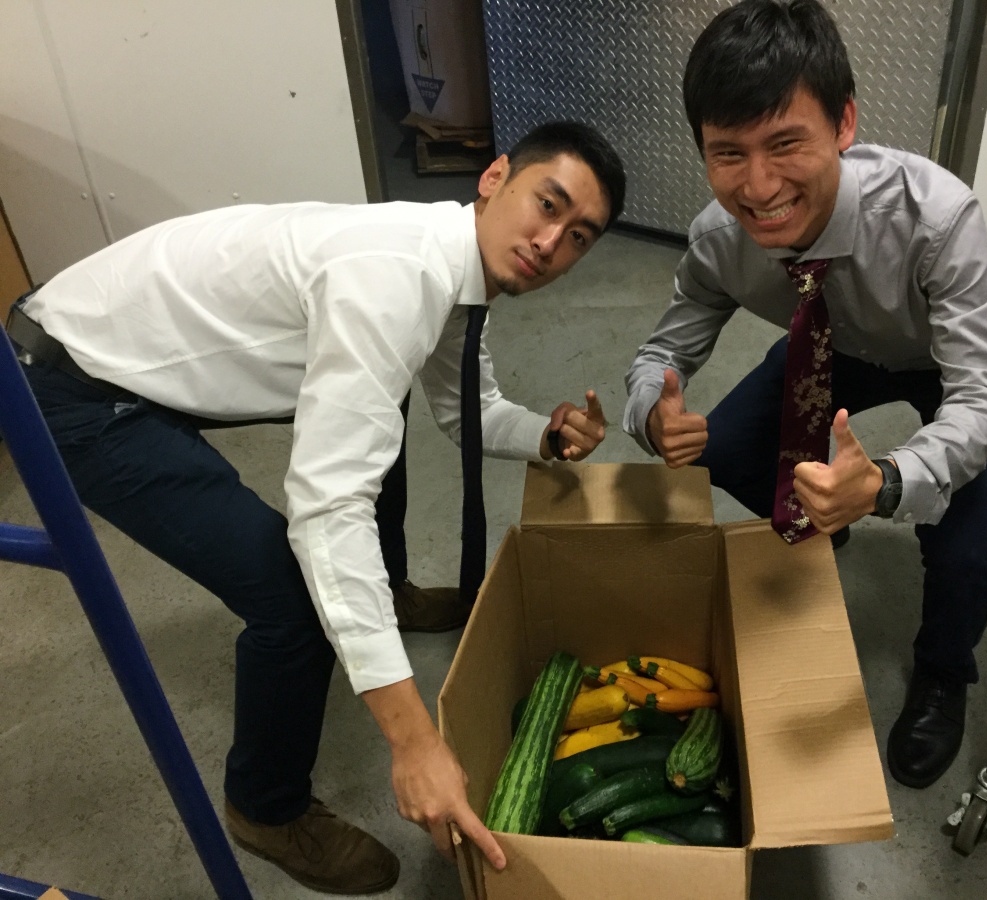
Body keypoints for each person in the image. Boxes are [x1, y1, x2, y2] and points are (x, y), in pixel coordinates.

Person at [9, 121, 625, 893]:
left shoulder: (451, 260)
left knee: (379, 408)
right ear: (495, 177)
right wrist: (413, 740)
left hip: (135, 342)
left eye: (578, 236)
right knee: (294, 592)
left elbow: (463, 407)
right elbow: (327, 509)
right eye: (548, 203)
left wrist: (544, 433)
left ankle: (387, 594)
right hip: (74, 383)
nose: (549, 241)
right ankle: (265, 807)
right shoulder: (398, 276)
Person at [623, 0, 987, 790]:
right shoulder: (718, 240)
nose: (758, 186)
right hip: (842, 342)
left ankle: (942, 674)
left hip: (975, 352)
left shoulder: (935, 216)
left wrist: (887, 482)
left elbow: (986, 400)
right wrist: (654, 407)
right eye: (728, 154)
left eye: (786, 143)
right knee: (722, 446)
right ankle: (828, 520)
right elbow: (664, 350)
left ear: (844, 122)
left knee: (961, 543)